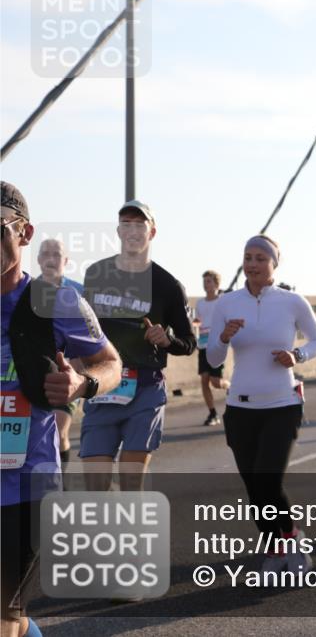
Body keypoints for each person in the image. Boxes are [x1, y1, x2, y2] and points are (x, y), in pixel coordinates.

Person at [2, 182, 122, 637]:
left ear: (24, 233)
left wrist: (82, 383)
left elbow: (111, 362)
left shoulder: (58, 301)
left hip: (26, 483)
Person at [206, 235, 316, 578]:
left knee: (268, 480)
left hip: (282, 404)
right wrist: (224, 337)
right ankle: (275, 549)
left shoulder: (292, 301)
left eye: (261, 258)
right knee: (254, 488)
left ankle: (292, 539)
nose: (253, 264)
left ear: (275, 263)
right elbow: (213, 358)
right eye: (248, 257)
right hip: (240, 408)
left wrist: (297, 355)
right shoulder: (227, 303)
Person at [81, 200, 196, 492]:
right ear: (118, 232)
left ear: (152, 232)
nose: (132, 230)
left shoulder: (167, 284)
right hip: (103, 386)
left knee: (131, 484)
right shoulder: (96, 274)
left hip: (145, 387)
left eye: (139, 224)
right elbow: (83, 329)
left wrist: (167, 340)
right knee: (95, 486)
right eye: (126, 224)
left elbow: (189, 343)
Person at [36, 238, 85, 465]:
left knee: (58, 430)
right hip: (32, 374)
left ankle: (59, 481)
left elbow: (96, 337)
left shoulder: (80, 293)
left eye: (56, 255)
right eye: (46, 254)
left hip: (69, 373)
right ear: (38, 259)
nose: (50, 259)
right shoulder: (25, 292)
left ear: (66, 261)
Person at [194, 270, 229, 426]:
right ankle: (213, 413)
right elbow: (197, 322)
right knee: (204, 379)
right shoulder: (200, 303)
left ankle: (230, 386)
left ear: (216, 284)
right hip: (203, 346)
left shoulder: (222, 302)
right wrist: (195, 334)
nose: (205, 284)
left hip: (217, 345)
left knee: (215, 382)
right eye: (204, 281)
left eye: (209, 281)